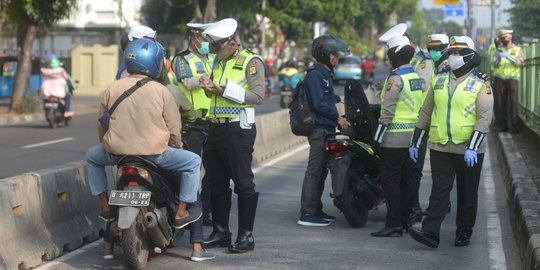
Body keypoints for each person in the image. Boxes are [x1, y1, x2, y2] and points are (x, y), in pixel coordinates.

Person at [85, 39, 202, 258]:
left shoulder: (111, 88)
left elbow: (102, 121)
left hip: (118, 154)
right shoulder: (161, 91)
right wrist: (176, 145)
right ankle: (182, 210)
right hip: (154, 155)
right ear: (155, 63)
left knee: (92, 158)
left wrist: (107, 145)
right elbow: (174, 127)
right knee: (193, 162)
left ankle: (104, 204)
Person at [408, 36, 493, 248]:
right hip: (440, 145)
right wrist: (415, 142)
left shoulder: (481, 83)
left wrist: (473, 147)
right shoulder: (438, 80)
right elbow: (426, 112)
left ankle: (464, 231)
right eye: (452, 52)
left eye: (458, 53)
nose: (453, 57)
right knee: (439, 190)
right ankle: (430, 233)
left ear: (469, 57)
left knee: (467, 192)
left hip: (468, 148)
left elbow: (484, 118)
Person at [198, 18, 264, 253]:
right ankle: (221, 232)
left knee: (243, 182)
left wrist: (224, 89)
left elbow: (257, 96)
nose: (214, 51)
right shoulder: (217, 61)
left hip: (238, 131)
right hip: (215, 128)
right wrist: (208, 85)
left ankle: (246, 236)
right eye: (213, 47)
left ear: (232, 43)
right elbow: (215, 94)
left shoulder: (251, 62)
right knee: (216, 183)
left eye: (217, 46)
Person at [171, 21, 217, 262]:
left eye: (208, 38)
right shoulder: (181, 59)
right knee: (192, 174)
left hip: (213, 121)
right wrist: (204, 79)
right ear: (193, 37)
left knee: (214, 173)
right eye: (202, 38)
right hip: (192, 124)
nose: (206, 43)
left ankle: (206, 215)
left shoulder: (213, 58)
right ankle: (189, 222)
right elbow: (185, 81)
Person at [371, 35, 424, 237]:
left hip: (394, 138)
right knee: (408, 180)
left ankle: (393, 223)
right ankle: (404, 220)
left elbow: (387, 114)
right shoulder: (415, 77)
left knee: (390, 181)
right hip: (413, 138)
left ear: (394, 56)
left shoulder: (395, 79)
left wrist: (376, 138)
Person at [296, 35, 351, 227]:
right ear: (324, 55)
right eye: (334, 55)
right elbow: (319, 103)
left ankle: (316, 209)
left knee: (321, 172)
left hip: (326, 129)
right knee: (314, 170)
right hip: (319, 129)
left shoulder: (325, 74)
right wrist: (338, 118)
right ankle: (307, 213)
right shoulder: (315, 75)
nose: (337, 58)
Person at [410, 34, 451, 221]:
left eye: (436, 48)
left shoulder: (450, 66)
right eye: (430, 48)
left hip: (441, 122)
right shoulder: (430, 64)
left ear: (445, 48)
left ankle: (440, 205)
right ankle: (438, 205)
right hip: (428, 118)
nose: (432, 51)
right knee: (434, 167)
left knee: (441, 169)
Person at [492, 29, 523, 134]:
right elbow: (494, 64)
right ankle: (503, 125)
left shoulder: (518, 49)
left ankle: (514, 126)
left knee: (513, 103)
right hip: (500, 78)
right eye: (501, 38)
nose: (502, 40)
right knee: (500, 103)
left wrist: (508, 57)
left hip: (512, 79)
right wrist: (498, 58)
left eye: (504, 38)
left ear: (509, 37)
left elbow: (519, 62)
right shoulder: (499, 50)